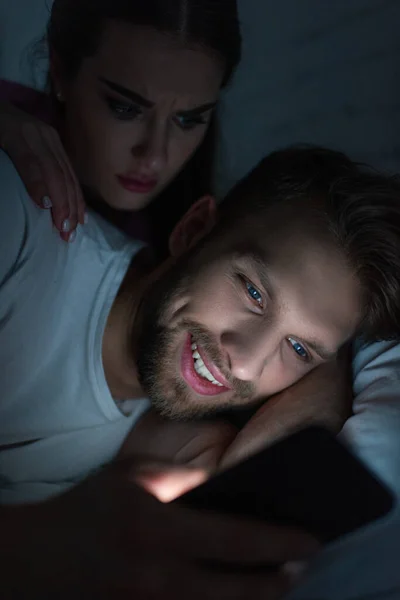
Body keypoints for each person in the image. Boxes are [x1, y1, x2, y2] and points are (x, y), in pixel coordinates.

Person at [2, 143, 400, 597]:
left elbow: (241, 525)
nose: (245, 361)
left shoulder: (172, 437)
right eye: (253, 293)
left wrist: (331, 354)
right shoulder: (20, 233)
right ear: (193, 231)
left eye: (297, 349)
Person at [0, 0, 241, 252]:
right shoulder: (8, 129)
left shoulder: (200, 245)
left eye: (188, 120)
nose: (155, 157)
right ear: (60, 70)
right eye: (125, 109)